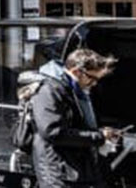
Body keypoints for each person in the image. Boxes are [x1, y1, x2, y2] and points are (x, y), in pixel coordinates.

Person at [30, 48, 120, 188]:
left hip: (76, 170)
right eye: (92, 78)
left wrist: (101, 132)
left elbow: (76, 125)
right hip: (59, 173)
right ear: (77, 71)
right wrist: (98, 137)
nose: (94, 84)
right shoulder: (50, 90)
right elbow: (52, 132)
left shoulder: (73, 90)